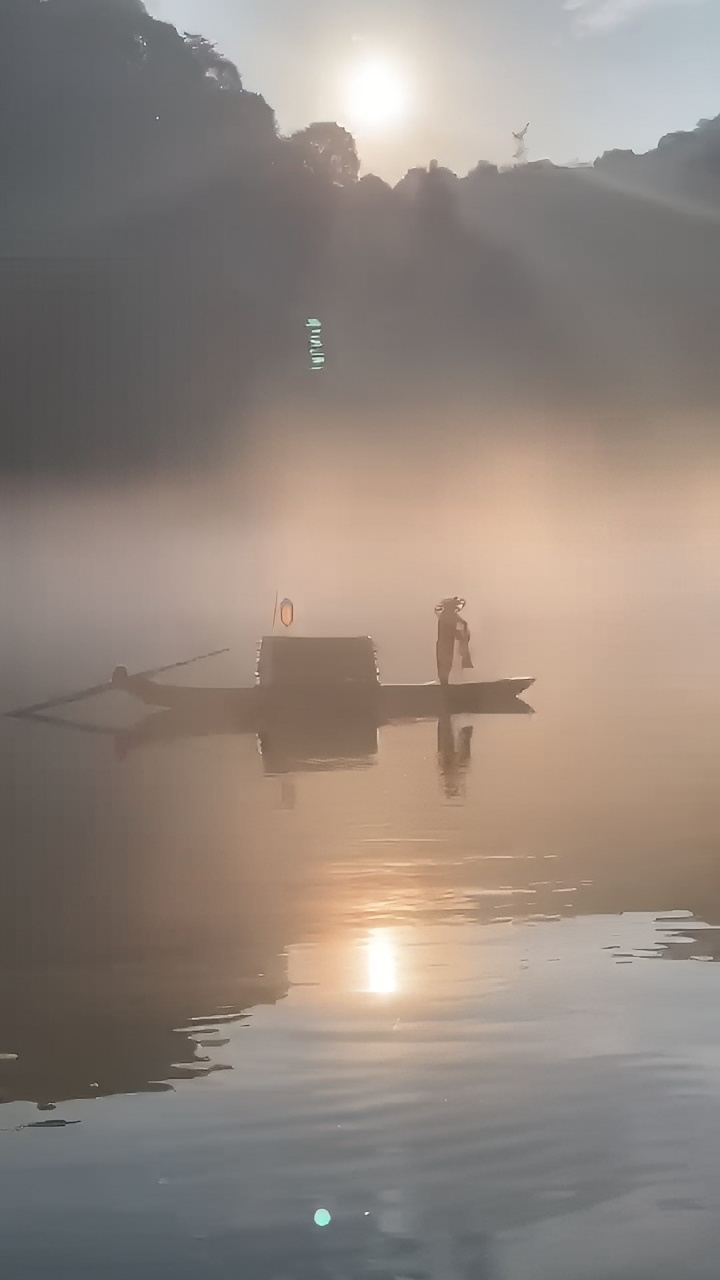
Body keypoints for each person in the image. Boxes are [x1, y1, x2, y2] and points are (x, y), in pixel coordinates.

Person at [435, 597, 474, 685]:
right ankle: (444, 685)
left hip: (448, 644)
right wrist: (460, 635)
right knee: (444, 664)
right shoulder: (446, 616)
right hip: (444, 644)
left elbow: (461, 623)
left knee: (447, 664)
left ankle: (445, 685)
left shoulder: (449, 615)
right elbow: (450, 630)